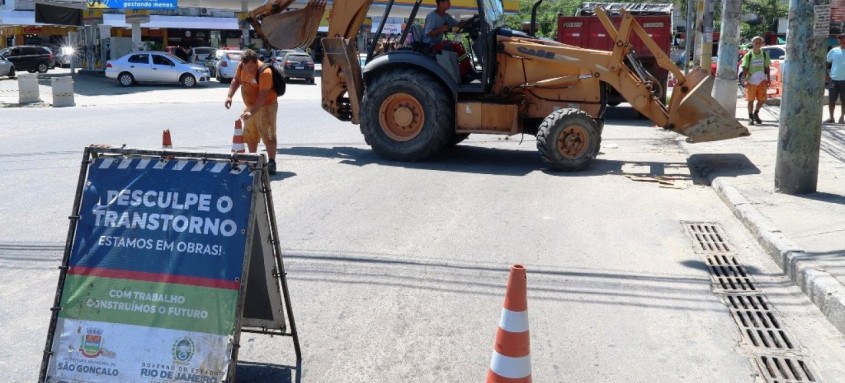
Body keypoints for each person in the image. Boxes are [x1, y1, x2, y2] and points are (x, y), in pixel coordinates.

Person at [224, 49, 279, 174]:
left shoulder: (265, 72)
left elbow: (263, 95)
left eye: (250, 67)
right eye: (245, 67)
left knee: (268, 134)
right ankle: (253, 159)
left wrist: (252, 112)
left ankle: (271, 162)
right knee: (250, 134)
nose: (248, 70)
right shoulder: (241, 67)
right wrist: (229, 96)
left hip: (266, 106)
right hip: (250, 107)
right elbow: (236, 81)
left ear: (256, 62)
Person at [423, 0, 476, 81]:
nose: (450, 4)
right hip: (430, 45)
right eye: (447, 2)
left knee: (459, 45)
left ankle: (468, 70)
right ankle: (463, 74)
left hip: (438, 43)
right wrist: (441, 29)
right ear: (441, 3)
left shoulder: (446, 16)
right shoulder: (432, 17)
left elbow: (458, 24)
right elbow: (428, 33)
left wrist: (471, 19)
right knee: (457, 46)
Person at [740, 36, 770, 125]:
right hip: (751, 81)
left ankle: (756, 113)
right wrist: (745, 80)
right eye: (756, 42)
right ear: (752, 43)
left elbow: (767, 67)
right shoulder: (748, 55)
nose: (757, 44)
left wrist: (768, 79)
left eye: (759, 42)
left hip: (762, 80)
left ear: (761, 44)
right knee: (750, 100)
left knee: (762, 100)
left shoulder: (764, 55)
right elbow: (744, 68)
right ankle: (750, 117)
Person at [826, 34, 845, 124]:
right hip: (834, 80)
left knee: (844, 100)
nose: (841, 40)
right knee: (831, 100)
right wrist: (826, 74)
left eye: (843, 38)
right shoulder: (833, 51)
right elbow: (827, 62)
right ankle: (831, 118)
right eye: (839, 38)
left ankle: (842, 118)